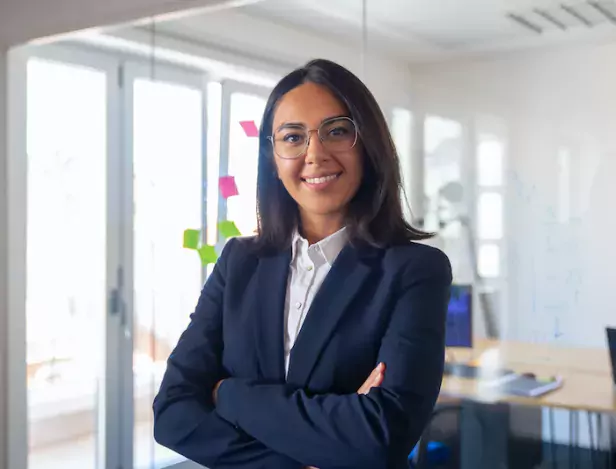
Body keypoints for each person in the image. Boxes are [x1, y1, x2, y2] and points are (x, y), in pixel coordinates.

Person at [153, 58, 452, 469]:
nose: (315, 154)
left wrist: (228, 394)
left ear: (368, 145)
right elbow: (172, 414)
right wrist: (315, 449)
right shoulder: (239, 262)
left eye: (337, 131)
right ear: (272, 160)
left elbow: (384, 435)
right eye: (293, 137)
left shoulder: (415, 270)